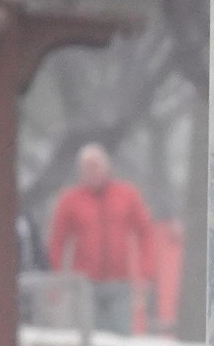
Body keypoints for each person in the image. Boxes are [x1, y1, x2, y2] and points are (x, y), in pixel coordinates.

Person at [47, 144, 157, 335]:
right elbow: (57, 242)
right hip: (84, 285)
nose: (93, 172)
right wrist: (58, 280)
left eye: (96, 166)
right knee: (87, 339)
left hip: (120, 284)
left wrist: (145, 273)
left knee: (121, 340)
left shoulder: (127, 195)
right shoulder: (70, 200)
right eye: (88, 167)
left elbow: (145, 233)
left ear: (107, 167)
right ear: (80, 171)